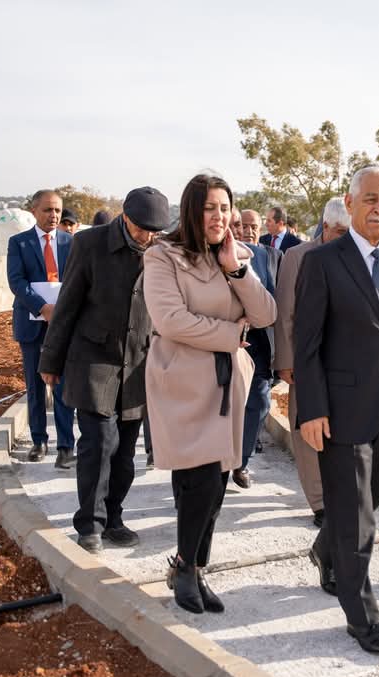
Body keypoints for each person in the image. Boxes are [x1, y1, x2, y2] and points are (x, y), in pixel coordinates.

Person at [295, 165, 379, 654]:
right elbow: (306, 344)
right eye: (370, 199)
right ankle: (363, 617)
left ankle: (325, 551)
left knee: (371, 498)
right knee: (357, 519)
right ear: (350, 204)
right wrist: (311, 409)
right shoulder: (322, 262)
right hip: (339, 411)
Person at [143, 174, 277, 614]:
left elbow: (265, 314)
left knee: (216, 482)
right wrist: (230, 333)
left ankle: (195, 567)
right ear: (191, 210)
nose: (219, 216)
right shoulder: (162, 256)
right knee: (197, 479)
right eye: (209, 208)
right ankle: (185, 566)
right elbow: (169, 320)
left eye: (224, 208)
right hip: (182, 383)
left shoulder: (236, 256)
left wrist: (236, 270)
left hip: (226, 384)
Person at [38, 187, 170, 554]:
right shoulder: (89, 244)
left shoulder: (162, 251)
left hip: (137, 365)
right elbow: (67, 305)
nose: (146, 237)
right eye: (141, 228)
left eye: (154, 231)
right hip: (94, 360)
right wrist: (50, 361)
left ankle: (114, 518)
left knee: (125, 454)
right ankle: (90, 525)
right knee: (98, 445)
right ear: (125, 217)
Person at [272, 197, 349, 528]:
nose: (347, 238)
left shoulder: (361, 256)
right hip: (308, 362)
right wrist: (286, 360)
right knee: (307, 432)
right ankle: (319, 502)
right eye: (341, 232)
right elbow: (285, 311)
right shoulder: (298, 256)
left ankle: (343, 494)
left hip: (349, 366)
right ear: (325, 227)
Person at [6, 189, 76, 467]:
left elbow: (78, 279)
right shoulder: (19, 243)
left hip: (63, 326)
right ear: (34, 211)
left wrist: (63, 310)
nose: (54, 215)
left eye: (57, 210)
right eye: (48, 210)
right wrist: (42, 307)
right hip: (32, 324)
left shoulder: (71, 243)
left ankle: (65, 446)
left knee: (63, 385)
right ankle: (39, 441)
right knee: (35, 387)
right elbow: (16, 281)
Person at [233, 209, 281, 488]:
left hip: (260, 343)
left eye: (254, 226)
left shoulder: (270, 256)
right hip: (226, 342)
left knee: (260, 402)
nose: (248, 231)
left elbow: (278, 296)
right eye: (243, 225)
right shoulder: (221, 253)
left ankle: (241, 462)